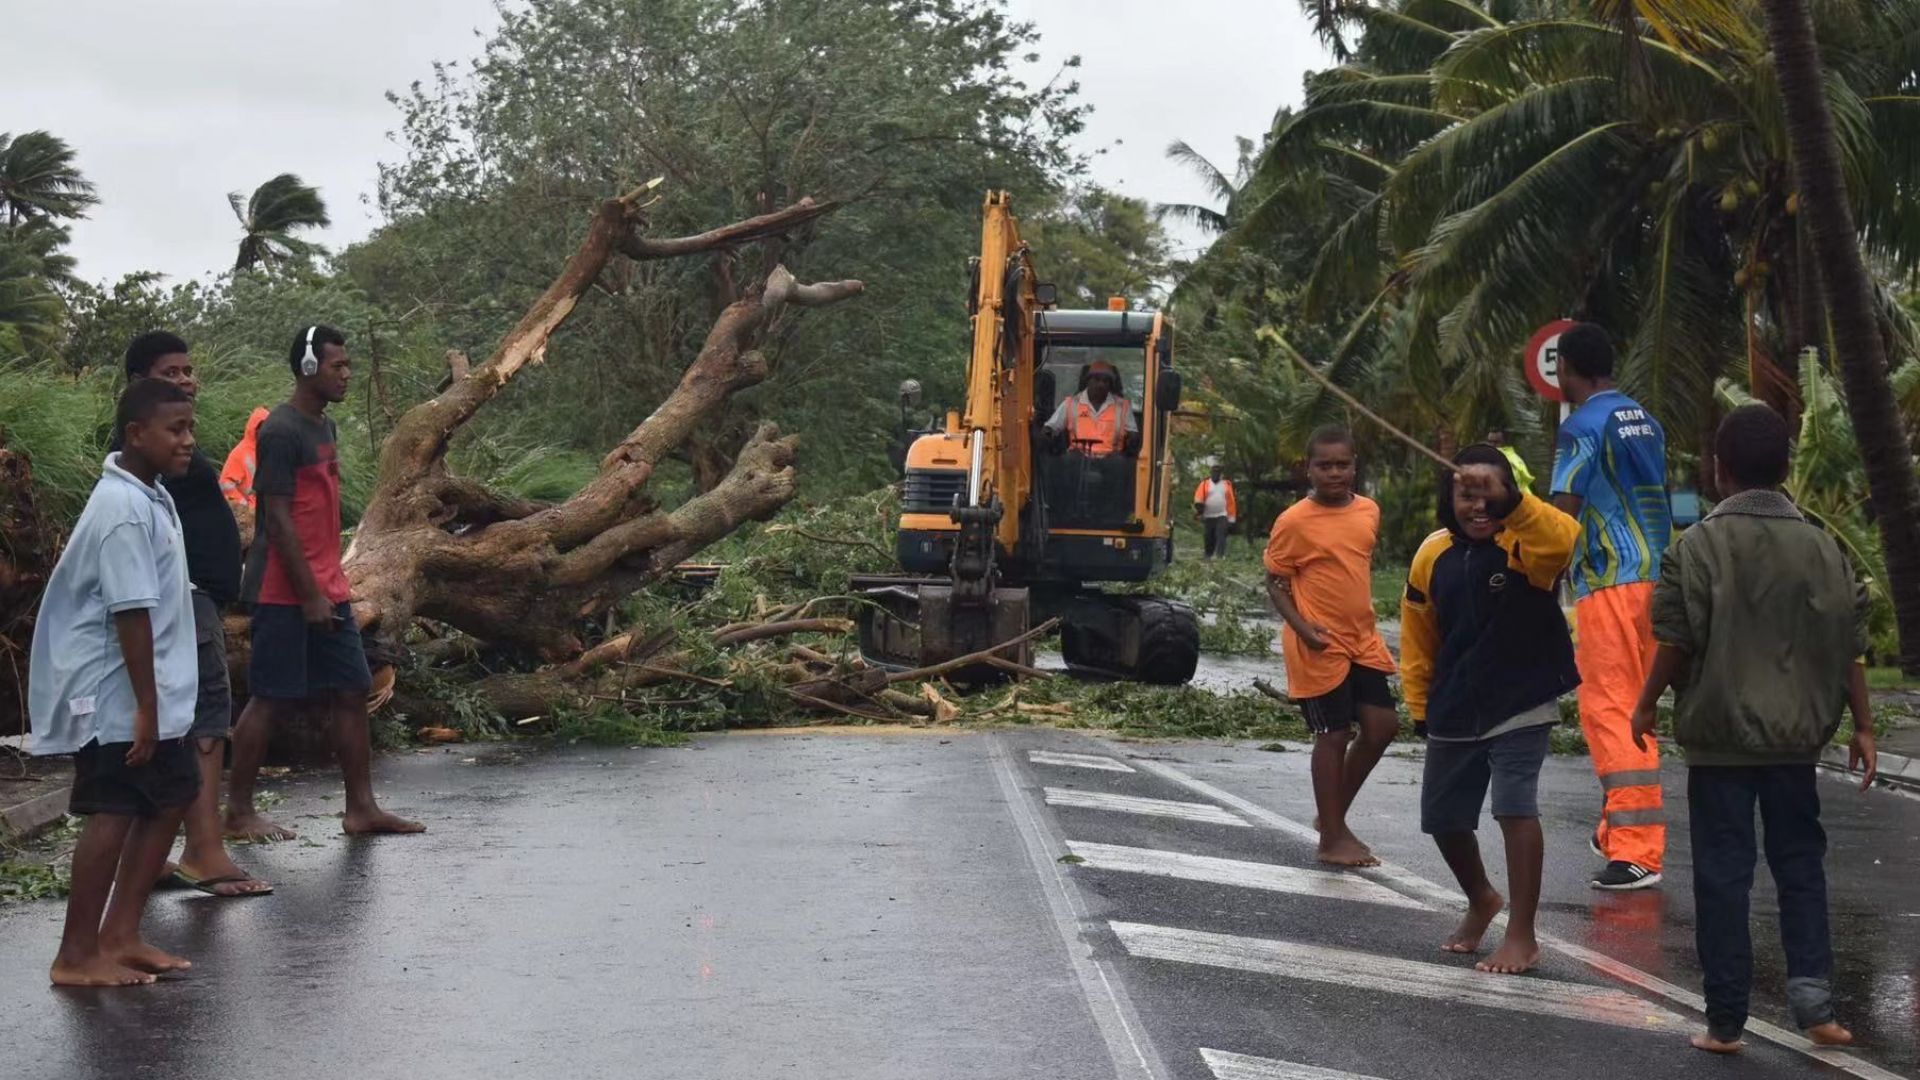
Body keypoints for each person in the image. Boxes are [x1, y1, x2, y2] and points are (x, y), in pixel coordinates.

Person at [1633, 404, 1875, 1055]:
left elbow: (1675, 640)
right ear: (1787, 467)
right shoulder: (1825, 548)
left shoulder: (1697, 547)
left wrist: (1647, 701)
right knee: (1800, 867)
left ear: (1720, 468)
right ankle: (1815, 1004)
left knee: (1722, 875)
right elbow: (1850, 643)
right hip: (1797, 743)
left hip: (1720, 743)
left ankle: (1725, 1020)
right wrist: (1865, 727)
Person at [29, 379, 201, 985]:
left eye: (189, 428)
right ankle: (74, 955)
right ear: (135, 434)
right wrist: (147, 708)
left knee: (175, 789)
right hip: (116, 695)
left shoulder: (149, 494)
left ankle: (122, 933)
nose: (188, 441)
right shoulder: (122, 511)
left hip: (149, 691)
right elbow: (130, 612)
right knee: (116, 806)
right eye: (175, 430)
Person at [224, 326, 423, 840]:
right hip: (283, 589)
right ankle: (238, 812)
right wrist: (308, 591)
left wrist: (330, 583)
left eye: (348, 365)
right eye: (338, 366)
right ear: (310, 367)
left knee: (353, 689)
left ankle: (361, 809)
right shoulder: (280, 430)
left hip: (327, 587)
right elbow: (279, 518)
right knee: (270, 696)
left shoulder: (324, 427)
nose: (346, 374)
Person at [1402, 445, 1580, 975]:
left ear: (1508, 495)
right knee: (1442, 818)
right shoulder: (1432, 554)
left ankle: (1522, 934)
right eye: (1466, 494)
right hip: (1455, 701)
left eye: (1489, 493)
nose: (1478, 506)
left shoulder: (1526, 542)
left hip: (1521, 698)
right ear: (1447, 497)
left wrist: (1515, 503)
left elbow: (1564, 540)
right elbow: (1418, 635)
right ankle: (1482, 897)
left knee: (1513, 807)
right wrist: (1418, 703)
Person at [120, 333, 271, 898]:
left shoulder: (162, 440)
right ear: (140, 384)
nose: (186, 380)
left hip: (197, 594)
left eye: (189, 370)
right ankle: (204, 850)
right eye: (171, 371)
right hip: (187, 597)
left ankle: (153, 853)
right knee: (205, 717)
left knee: (184, 722)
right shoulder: (150, 448)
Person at [1550, 323, 1672, 890]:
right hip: (1658, 579)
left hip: (1608, 580)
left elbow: (1564, 510)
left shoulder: (1581, 426)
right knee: (1638, 707)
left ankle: (1637, 850)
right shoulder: (1646, 419)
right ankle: (1614, 827)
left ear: (1566, 368)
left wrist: (1536, 568)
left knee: (1611, 709)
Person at [1264, 427, 1399, 867]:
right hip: (1318, 645)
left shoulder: (1369, 511)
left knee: (1381, 727)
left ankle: (1330, 814)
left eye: (1342, 464)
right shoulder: (1293, 521)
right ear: (1309, 468)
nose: (1334, 472)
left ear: (1354, 465)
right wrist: (1304, 628)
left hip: (1362, 638)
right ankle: (1333, 839)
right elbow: (1276, 581)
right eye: (1325, 465)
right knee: (1334, 733)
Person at [1044, 359, 1139, 457]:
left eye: (1105, 381)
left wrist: (1132, 440)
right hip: (1078, 461)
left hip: (1112, 462)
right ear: (1087, 381)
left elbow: (1133, 436)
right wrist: (1046, 435)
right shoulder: (1071, 404)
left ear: (1110, 385)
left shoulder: (1123, 406)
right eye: (1097, 379)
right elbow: (1050, 428)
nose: (1101, 384)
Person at [1193, 465, 1237, 560]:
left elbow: (1230, 502)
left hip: (1222, 514)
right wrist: (1199, 507)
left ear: (1221, 474)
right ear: (1211, 473)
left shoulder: (1226, 485)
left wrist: (1231, 518)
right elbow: (1198, 497)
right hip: (1208, 516)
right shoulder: (1204, 484)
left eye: (1217, 473)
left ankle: (1220, 556)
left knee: (1221, 535)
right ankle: (1208, 555)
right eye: (1214, 472)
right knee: (1209, 536)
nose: (1215, 475)